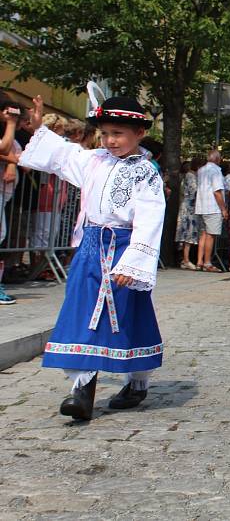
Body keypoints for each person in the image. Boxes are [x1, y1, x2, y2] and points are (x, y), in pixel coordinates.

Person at [19, 94, 165, 421]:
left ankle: (137, 382)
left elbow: (151, 217)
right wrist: (39, 128)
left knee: (128, 317)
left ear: (139, 133)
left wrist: (133, 262)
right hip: (90, 248)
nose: (109, 140)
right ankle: (82, 390)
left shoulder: (145, 172)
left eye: (118, 133)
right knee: (83, 311)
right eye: (104, 133)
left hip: (122, 248)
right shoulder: (95, 160)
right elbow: (61, 155)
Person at [0, 99, 23, 304]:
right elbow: (5, 148)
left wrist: (12, 163)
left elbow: (21, 157)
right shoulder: (8, 129)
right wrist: (11, 123)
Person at [195, 149, 227, 273]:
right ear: (217, 159)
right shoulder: (216, 171)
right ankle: (207, 262)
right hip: (212, 207)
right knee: (210, 235)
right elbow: (217, 191)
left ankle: (199, 261)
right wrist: (223, 209)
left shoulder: (201, 170)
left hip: (201, 206)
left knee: (203, 234)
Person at [175, 157, 203, 269]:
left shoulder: (193, 175)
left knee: (190, 232)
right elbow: (194, 191)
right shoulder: (191, 176)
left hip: (192, 207)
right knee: (188, 232)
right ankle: (185, 259)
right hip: (189, 207)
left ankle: (186, 258)